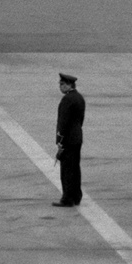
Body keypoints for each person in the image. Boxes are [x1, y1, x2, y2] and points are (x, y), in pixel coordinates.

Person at [53, 72, 84, 207]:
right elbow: (80, 120)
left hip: (68, 140)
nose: (60, 87)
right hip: (77, 138)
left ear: (69, 85)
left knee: (67, 171)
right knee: (75, 169)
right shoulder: (79, 98)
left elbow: (63, 122)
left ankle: (67, 198)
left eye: (62, 84)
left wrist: (60, 141)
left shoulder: (67, 100)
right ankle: (76, 196)